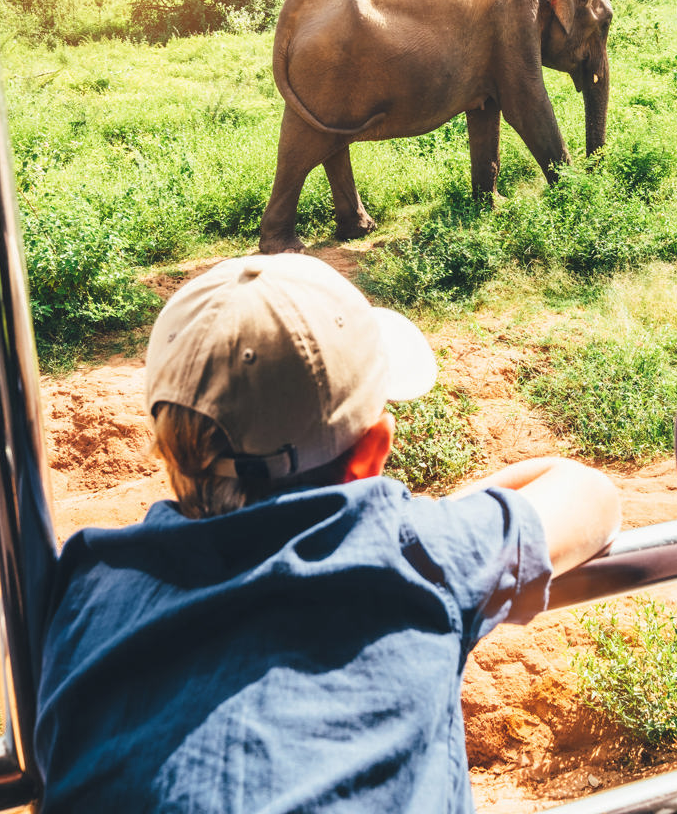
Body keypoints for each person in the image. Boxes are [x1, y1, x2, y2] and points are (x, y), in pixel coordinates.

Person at [34, 253, 620, 813]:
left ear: (170, 445)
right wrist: (426, 521)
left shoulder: (84, 587)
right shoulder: (416, 557)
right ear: (373, 454)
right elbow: (590, 496)